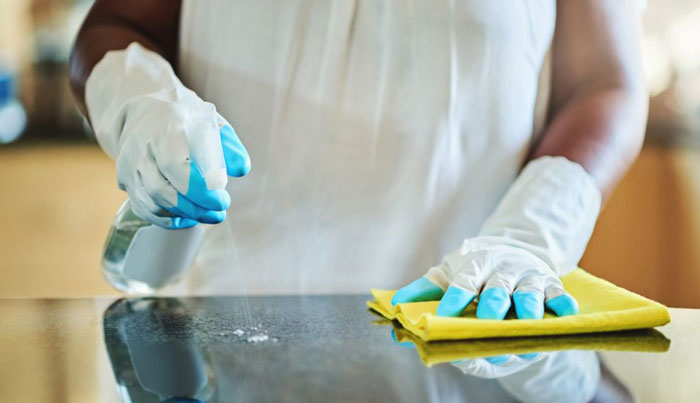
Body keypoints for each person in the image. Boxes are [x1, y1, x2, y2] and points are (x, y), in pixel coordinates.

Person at [69, 0, 647, 319]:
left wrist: (533, 231)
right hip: (212, 345)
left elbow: (601, 81)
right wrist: (139, 100)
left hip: (469, 334)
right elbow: (117, 24)